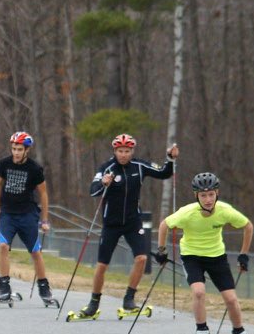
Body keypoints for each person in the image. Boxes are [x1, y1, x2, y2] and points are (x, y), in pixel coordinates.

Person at [156, 173, 254, 334]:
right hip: (191, 256)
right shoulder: (187, 213)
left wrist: (244, 254)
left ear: (217, 193)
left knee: (230, 299)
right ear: (196, 196)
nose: (208, 199)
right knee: (198, 292)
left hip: (216, 256)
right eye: (203, 195)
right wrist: (161, 250)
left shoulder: (224, 210)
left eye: (211, 194)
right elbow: (164, 225)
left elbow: (248, 226)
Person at [76, 134, 178, 319]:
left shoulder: (139, 166)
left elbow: (164, 173)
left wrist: (170, 158)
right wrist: (103, 183)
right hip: (111, 224)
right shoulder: (107, 168)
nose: (123, 154)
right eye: (120, 151)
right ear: (114, 151)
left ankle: (129, 299)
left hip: (133, 222)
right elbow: (93, 191)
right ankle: (93, 303)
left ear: (132, 151)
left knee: (141, 258)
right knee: (102, 264)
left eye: (127, 151)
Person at [0, 132, 55, 305]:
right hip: (8, 214)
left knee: (35, 251)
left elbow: (43, 193)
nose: (16, 153)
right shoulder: (4, 163)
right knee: (3, 246)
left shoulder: (34, 168)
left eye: (19, 149)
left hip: (28, 214)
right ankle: (4, 285)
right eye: (13, 149)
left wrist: (45, 219)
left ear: (27, 150)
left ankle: (44, 286)